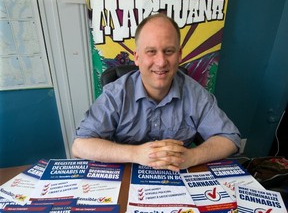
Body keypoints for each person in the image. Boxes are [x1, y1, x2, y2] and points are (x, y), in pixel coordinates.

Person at [72, 13, 241, 172]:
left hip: (178, 175)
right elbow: (80, 146)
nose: (160, 62)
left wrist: (192, 156)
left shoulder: (195, 93)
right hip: (127, 177)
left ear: (179, 55)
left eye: (168, 51)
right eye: (151, 51)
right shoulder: (117, 93)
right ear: (137, 57)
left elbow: (230, 139)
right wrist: (136, 154)